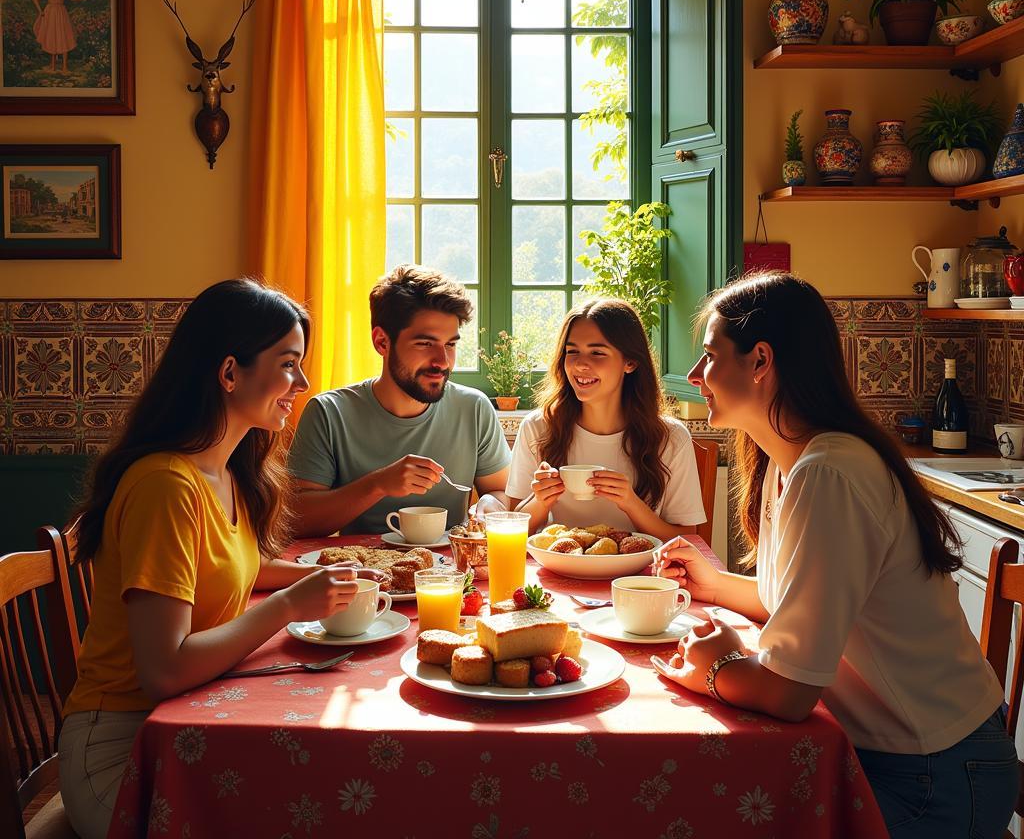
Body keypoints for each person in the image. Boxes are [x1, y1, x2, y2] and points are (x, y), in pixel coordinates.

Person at [652, 272, 1018, 838]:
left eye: (708, 357)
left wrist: (716, 670)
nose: (697, 377)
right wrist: (715, 585)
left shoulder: (828, 473)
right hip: (898, 756)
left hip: (936, 774)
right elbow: (806, 607)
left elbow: (791, 693)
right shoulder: (789, 461)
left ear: (760, 361)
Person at [59, 279, 379, 839]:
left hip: (178, 729)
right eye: (288, 364)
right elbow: (165, 671)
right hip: (123, 752)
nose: (301, 384)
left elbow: (236, 568)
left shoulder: (223, 471)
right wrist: (287, 605)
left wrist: (324, 578)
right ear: (229, 373)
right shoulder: (167, 486)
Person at [288, 265, 511, 537]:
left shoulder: (474, 409)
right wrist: (378, 484)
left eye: (450, 344)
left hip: (448, 575)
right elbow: (297, 520)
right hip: (360, 572)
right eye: (425, 344)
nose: (443, 361)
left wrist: (491, 503)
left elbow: (500, 491)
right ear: (382, 342)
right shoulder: (329, 412)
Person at [508, 298, 705, 541]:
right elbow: (511, 527)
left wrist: (631, 503)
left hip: (639, 577)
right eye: (572, 352)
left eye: (597, 353)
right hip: (558, 570)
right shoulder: (537, 428)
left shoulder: (671, 438)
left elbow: (689, 538)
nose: (580, 364)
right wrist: (540, 502)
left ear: (630, 362)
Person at [33, 0, 89, 73]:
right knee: (52, 37)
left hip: (61, 13)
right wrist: (40, 11)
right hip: (50, 13)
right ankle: (53, 67)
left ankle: (64, 67)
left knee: (64, 37)